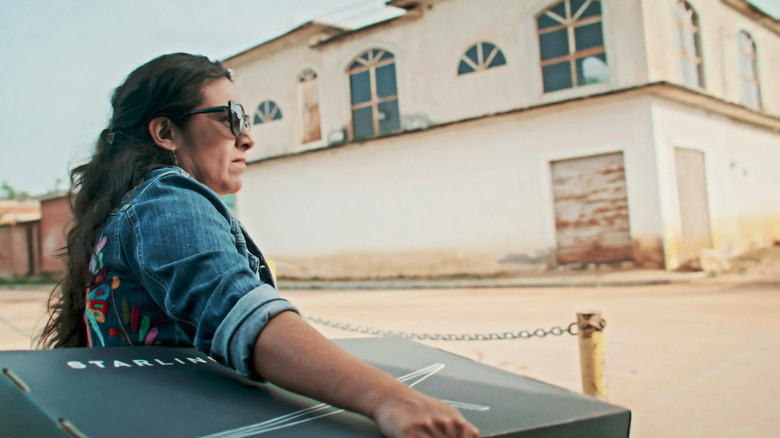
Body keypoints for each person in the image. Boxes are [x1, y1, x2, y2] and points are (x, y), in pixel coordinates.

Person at [39, 53, 479, 438]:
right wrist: (391, 399)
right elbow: (240, 314)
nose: (247, 137)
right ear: (165, 132)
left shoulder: (126, 209)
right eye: (231, 117)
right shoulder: (166, 199)